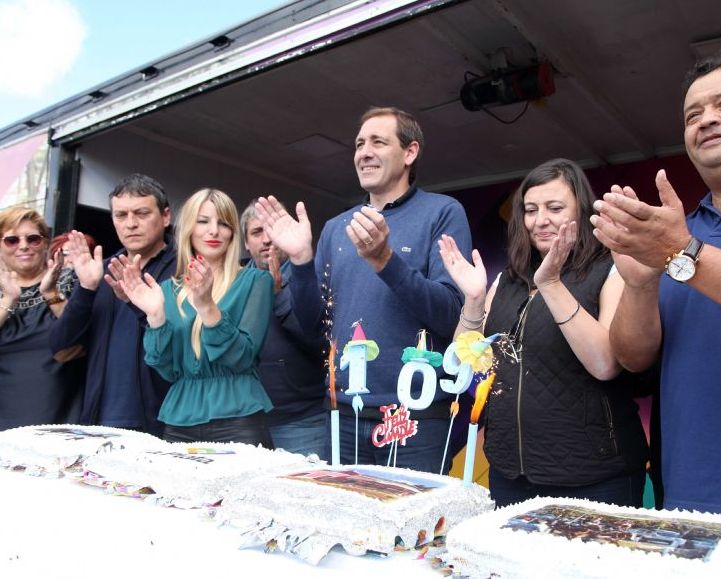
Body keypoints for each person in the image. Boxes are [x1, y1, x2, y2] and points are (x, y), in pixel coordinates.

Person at [591, 53, 721, 528]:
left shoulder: (683, 240)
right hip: (687, 502)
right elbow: (633, 358)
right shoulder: (679, 232)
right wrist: (641, 283)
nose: (706, 120)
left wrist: (682, 253)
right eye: (692, 115)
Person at [257, 106, 472, 472]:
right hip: (343, 413)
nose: (364, 152)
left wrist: (385, 261)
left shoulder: (442, 212)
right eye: (359, 144)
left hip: (415, 415)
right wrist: (302, 261)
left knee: (413, 513)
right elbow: (313, 329)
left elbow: (451, 314)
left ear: (410, 152)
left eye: (378, 142)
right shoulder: (336, 228)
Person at [439, 158, 648, 508]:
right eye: (531, 210)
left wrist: (551, 284)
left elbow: (605, 363)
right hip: (510, 472)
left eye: (555, 208)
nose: (540, 220)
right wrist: (474, 301)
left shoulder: (611, 267)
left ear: (581, 211)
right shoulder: (508, 279)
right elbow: (466, 364)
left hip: (594, 476)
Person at [121, 188, 274, 445]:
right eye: (203, 221)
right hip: (180, 419)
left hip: (239, 415)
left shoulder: (256, 281)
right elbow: (166, 370)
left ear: (233, 233)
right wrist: (155, 317)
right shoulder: (168, 290)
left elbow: (242, 358)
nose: (214, 231)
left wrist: (207, 307)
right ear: (189, 229)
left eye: (223, 223)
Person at [50, 174, 176, 435]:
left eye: (142, 213)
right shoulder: (100, 271)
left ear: (165, 216)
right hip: (100, 417)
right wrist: (86, 289)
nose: (131, 224)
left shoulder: (185, 268)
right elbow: (60, 346)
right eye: (121, 215)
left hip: (164, 420)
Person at [240, 201, 327, 456]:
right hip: (247, 421)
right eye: (257, 232)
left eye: (271, 229)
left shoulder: (310, 277)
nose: (267, 239)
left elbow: (321, 342)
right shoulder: (235, 283)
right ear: (245, 243)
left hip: (302, 421)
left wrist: (279, 296)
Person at [0, 207, 82, 429]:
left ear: (45, 243)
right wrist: (9, 298)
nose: (23, 246)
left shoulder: (69, 280)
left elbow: (81, 339)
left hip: (61, 417)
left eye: (33, 239)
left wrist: (51, 294)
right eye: (12, 240)